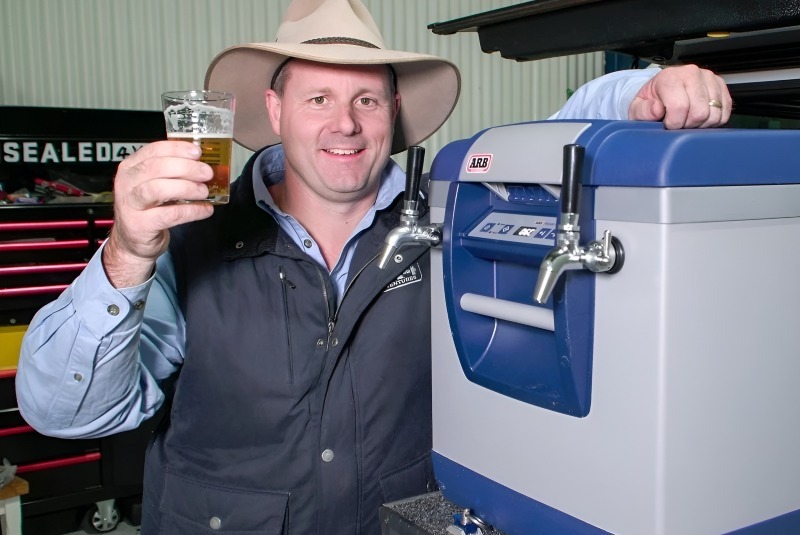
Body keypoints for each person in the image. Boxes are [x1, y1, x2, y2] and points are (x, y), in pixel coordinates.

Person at [15, 0, 731, 533]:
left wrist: (644, 91)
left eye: (364, 97)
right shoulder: (190, 239)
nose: (345, 123)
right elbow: (65, 411)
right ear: (275, 107)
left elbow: (553, 140)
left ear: (392, 106)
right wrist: (127, 255)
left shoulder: (445, 217)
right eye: (319, 98)